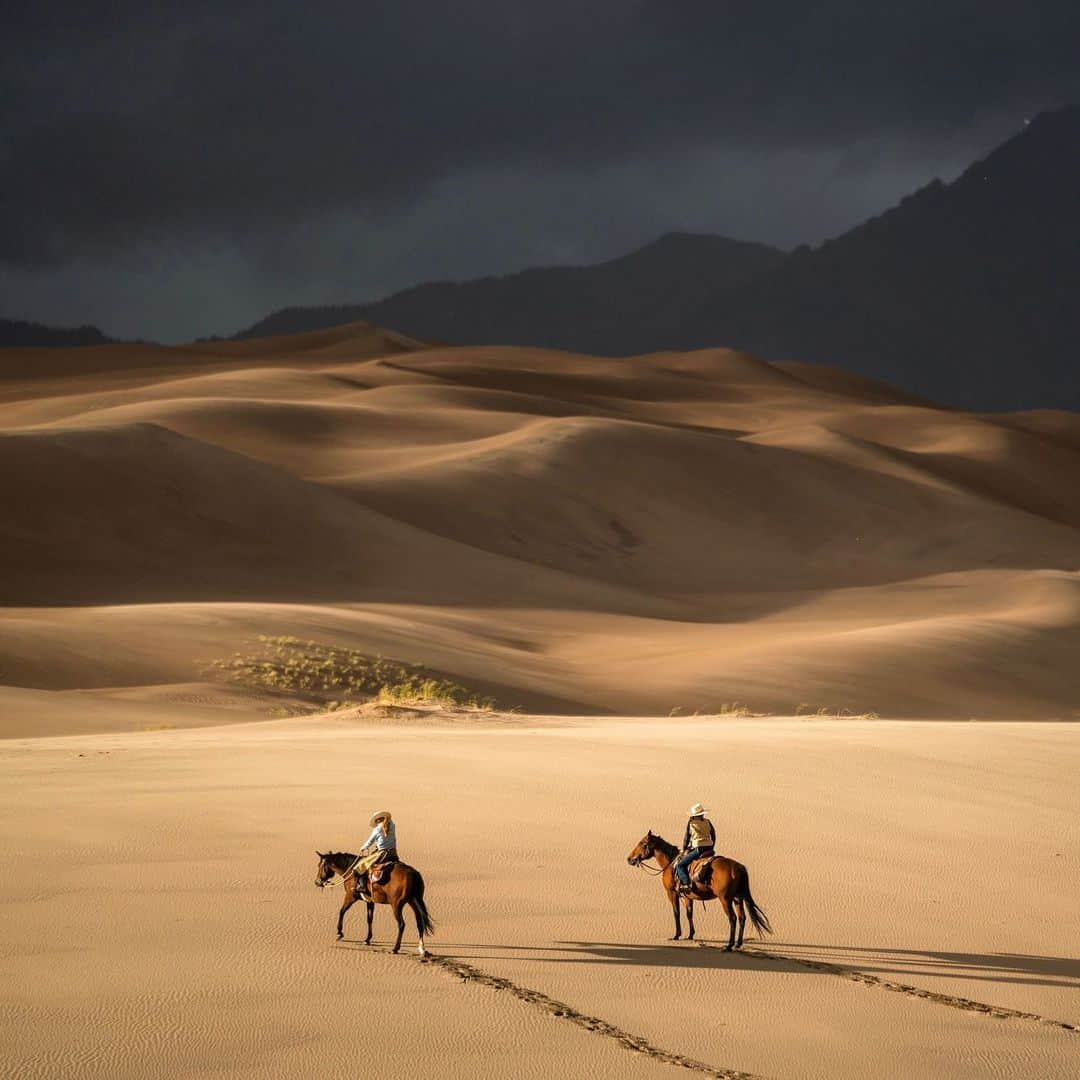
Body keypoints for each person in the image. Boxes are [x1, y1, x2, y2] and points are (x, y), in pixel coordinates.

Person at [354, 810, 398, 899]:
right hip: (393, 853)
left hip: (382, 853)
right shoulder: (392, 825)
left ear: (377, 820)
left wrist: (363, 847)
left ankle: (362, 886)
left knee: (359, 867)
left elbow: (370, 841)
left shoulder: (377, 829)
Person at [674, 802, 716, 892]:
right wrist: (712, 846)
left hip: (698, 849)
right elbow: (713, 834)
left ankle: (686, 884)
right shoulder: (707, 822)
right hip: (709, 848)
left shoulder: (691, 823)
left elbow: (687, 838)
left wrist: (684, 849)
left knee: (680, 865)